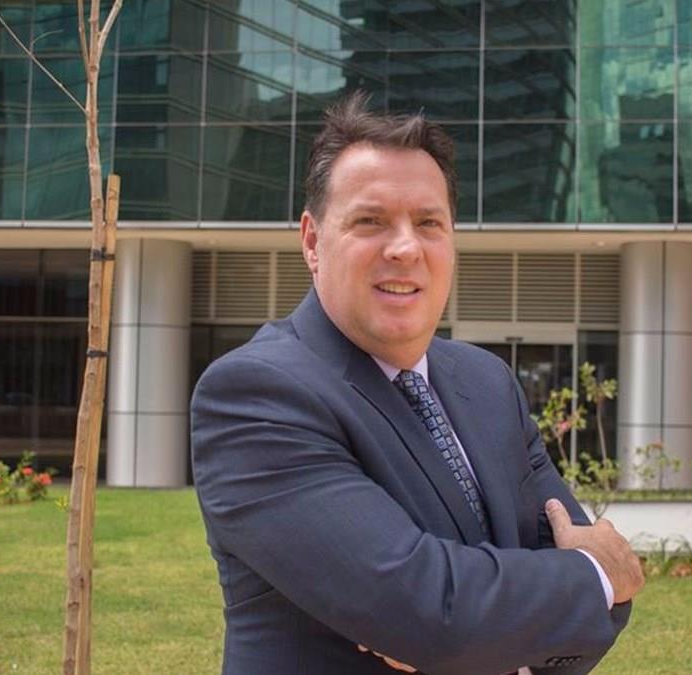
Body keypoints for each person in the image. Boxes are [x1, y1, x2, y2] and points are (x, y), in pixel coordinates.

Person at [191, 93, 643, 675]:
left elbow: (601, 610)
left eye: (429, 223)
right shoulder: (257, 395)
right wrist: (595, 574)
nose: (405, 248)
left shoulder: (487, 382)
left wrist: (478, 627)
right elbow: (431, 614)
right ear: (312, 241)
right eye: (371, 221)